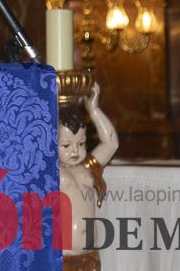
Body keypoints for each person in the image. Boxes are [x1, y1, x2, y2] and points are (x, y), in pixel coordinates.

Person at [57, 83, 118, 270]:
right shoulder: (52, 172)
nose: (75, 150)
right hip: (61, 257)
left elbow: (111, 143)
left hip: (90, 256)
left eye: (81, 143)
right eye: (66, 145)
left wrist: (93, 109)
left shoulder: (87, 168)